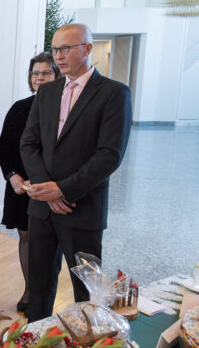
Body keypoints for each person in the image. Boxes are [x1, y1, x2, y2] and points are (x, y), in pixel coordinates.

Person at [20, 23, 132, 321]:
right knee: (39, 287)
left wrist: (64, 190)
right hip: (42, 209)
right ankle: (35, 345)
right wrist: (48, 190)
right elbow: (28, 144)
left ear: (87, 49)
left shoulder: (113, 93)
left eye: (66, 48)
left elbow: (109, 156)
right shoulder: (46, 92)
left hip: (82, 210)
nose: (59, 56)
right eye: (55, 49)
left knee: (87, 291)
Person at [0, 52, 60, 313]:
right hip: (21, 185)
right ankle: (29, 289)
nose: (40, 78)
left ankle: (42, 295)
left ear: (57, 76)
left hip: (52, 187)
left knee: (45, 240)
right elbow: (5, 146)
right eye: (35, 73)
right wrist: (12, 174)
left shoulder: (64, 108)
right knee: (25, 236)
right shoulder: (20, 107)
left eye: (46, 73)